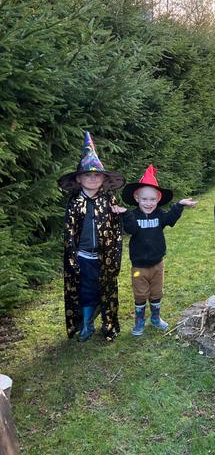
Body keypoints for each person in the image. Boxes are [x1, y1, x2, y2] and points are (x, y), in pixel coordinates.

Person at [58, 131, 125, 342]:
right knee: (86, 291)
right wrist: (72, 257)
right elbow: (69, 232)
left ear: (104, 178)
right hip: (83, 256)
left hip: (105, 256)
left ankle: (108, 323)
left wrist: (115, 253)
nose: (93, 178)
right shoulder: (74, 202)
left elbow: (116, 229)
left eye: (97, 175)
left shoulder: (108, 199)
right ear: (79, 179)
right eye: (88, 175)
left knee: (106, 289)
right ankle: (87, 324)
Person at [121, 165, 197, 336]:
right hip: (139, 267)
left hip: (157, 264)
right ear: (137, 198)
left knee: (156, 292)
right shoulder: (133, 216)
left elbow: (170, 219)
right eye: (144, 199)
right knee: (140, 294)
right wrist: (125, 214)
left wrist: (179, 205)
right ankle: (139, 321)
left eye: (152, 199)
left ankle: (155, 318)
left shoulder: (159, 215)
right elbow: (130, 229)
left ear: (158, 199)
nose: (149, 203)